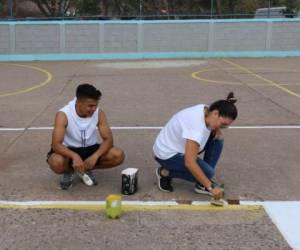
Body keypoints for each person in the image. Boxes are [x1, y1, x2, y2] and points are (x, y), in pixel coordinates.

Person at [153, 92, 238, 200]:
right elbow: (189, 162)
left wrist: (217, 128)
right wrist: (210, 187)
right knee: (208, 173)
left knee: (218, 140)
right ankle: (164, 173)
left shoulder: (207, 110)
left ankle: (201, 183)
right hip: (166, 154)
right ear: (216, 113)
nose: (222, 127)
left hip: (178, 145)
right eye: (223, 124)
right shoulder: (196, 129)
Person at [47, 83, 125, 190]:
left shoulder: (99, 113)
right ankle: (69, 171)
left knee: (118, 155)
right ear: (78, 103)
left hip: (90, 149)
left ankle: (85, 168)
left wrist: (95, 156)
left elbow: (108, 140)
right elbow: (56, 145)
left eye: (95, 105)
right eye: (90, 106)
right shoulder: (63, 114)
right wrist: (75, 156)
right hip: (68, 150)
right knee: (57, 162)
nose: (94, 109)